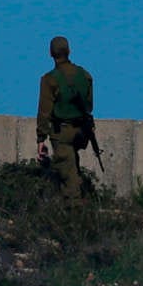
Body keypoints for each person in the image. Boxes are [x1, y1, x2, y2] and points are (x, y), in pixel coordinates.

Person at [36, 36, 94, 205]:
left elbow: (44, 111)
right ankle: (84, 195)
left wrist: (41, 139)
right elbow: (89, 106)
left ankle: (74, 219)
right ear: (69, 51)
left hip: (62, 133)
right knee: (72, 167)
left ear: (50, 54)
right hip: (82, 132)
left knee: (68, 183)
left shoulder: (49, 79)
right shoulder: (85, 75)